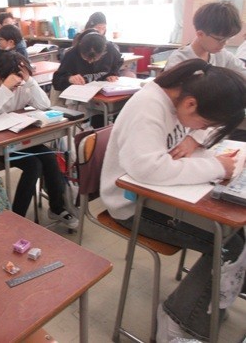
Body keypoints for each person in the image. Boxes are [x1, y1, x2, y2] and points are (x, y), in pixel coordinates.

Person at [100, 59, 246, 342]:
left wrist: (195, 138)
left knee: (235, 232)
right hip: (132, 205)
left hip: (161, 196)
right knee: (228, 245)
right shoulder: (148, 108)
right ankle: (177, 321)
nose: (203, 127)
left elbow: (202, 128)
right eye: (205, 122)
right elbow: (148, 169)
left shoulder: (184, 96)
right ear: (190, 104)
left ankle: (209, 298)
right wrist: (216, 167)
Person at [0, 50, 78, 229]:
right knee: (34, 166)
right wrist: (4, 88)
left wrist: (30, 82)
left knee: (49, 156)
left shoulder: (24, 83)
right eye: (12, 84)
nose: (16, 88)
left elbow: (44, 105)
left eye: (18, 83)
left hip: (21, 137)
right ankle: (17, 218)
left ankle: (56, 208)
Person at [51, 29, 123, 128]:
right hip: (83, 100)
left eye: (95, 58)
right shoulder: (72, 54)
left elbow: (119, 61)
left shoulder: (110, 49)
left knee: (120, 113)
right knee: (98, 119)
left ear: (104, 51)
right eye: (85, 58)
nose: (90, 62)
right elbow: (56, 81)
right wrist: (69, 78)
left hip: (104, 94)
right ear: (80, 48)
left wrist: (113, 73)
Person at [165, 1, 245, 74]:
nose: (224, 44)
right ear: (200, 34)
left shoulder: (222, 55)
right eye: (220, 40)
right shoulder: (179, 60)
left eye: (228, 39)